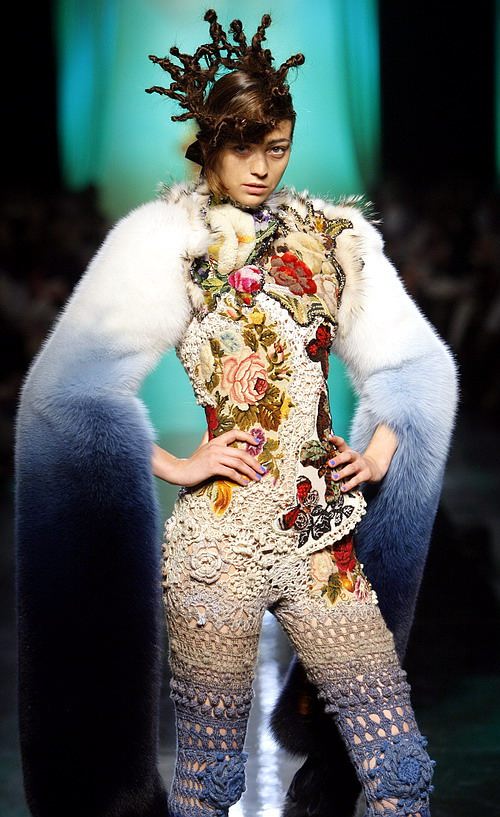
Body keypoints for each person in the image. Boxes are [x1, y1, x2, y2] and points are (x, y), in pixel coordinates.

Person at [14, 9, 458, 817]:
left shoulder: (332, 236)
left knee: (400, 769)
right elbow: (66, 387)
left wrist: (383, 443)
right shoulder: (166, 240)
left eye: (276, 147)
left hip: (321, 538)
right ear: (210, 143)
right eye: (244, 146)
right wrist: (176, 463)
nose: (261, 166)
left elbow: (411, 362)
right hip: (214, 550)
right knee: (208, 784)